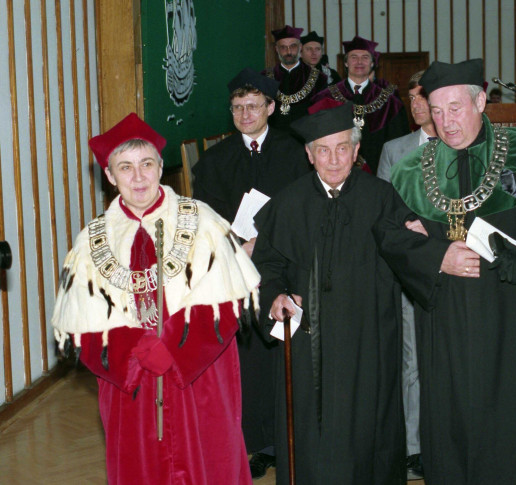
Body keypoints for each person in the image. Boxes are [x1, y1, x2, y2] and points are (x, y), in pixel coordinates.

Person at [376, 59, 516, 484]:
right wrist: (436, 255)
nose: (445, 121)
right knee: (452, 432)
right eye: (436, 110)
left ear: (480, 101)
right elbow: (389, 236)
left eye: (455, 108)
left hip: (515, 320)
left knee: (515, 431)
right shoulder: (411, 171)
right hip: (446, 325)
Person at [51, 113, 261, 484]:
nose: (138, 177)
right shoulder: (90, 242)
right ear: (110, 176)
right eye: (125, 167)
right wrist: (135, 354)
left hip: (198, 380)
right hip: (132, 388)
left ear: (161, 167)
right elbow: (81, 327)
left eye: (146, 164)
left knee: (208, 465)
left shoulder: (203, 222)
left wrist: (173, 351)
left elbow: (228, 304)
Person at [252, 103, 416, 484]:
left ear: (357, 151)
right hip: (310, 346)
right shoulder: (289, 202)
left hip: (370, 342)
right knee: (311, 438)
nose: (333, 158)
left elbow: (413, 256)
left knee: (369, 433)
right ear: (309, 155)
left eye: (342, 147)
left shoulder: (383, 198)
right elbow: (266, 267)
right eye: (322, 150)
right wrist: (274, 297)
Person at [192, 67, 311, 479]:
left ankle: (290, 438)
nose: (245, 114)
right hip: (234, 270)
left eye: (254, 106)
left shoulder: (296, 152)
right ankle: (256, 443)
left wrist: (263, 241)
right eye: (238, 107)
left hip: (286, 265)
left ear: (271, 108)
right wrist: (232, 248)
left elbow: (306, 206)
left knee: (286, 352)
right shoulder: (214, 161)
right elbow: (202, 218)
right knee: (249, 358)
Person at [376, 69, 437, 481]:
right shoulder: (395, 149)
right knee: (411, 361)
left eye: (421, 99)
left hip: (457, 268)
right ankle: (413, 448)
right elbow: (382, 213)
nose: (415, 107)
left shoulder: (461, 145)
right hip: (411, 270)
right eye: (411, 100)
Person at [311, 35, 410, 174]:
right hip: (335, 171)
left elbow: (400, 146)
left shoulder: (390, 103)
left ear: (372, 63)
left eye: (365, 57)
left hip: (379, 175)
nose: (359, 62)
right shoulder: (325, 98)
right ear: (346, 63)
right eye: (353, 57)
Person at [264, 25, 329, 132]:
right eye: (283, 47)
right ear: (276, 49)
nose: (288, 51)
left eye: (293, 46)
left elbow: (322, 115)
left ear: (300, 47)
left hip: (304, 140)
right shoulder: (264, 77)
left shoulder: (319, 78)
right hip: (273, 140)